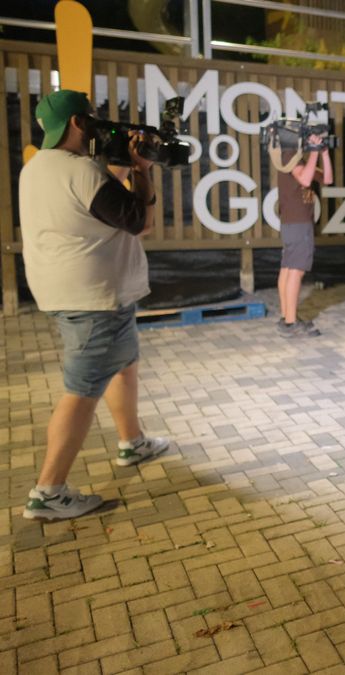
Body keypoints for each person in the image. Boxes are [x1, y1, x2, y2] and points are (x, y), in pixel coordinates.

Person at [18, 89, 170, 521]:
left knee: (124, 363)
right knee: (81, 392)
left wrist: (120, 164)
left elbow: (97, 202)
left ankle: (132, 441)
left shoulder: (38, 167)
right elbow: (138, 220)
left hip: (82, 291)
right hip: (93, 299)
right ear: (77, 124)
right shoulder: (81, 171)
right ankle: (48, 491)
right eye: (91, 120)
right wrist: (141, 169)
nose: (97, 127)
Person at [273, 132, 332, 337]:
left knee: (288, 269)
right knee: (295, 271)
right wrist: (315, 153)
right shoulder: (289, 156)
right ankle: (290, 323)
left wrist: (323, 153)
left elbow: (327, 178)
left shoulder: (294, 158)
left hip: (294, 223)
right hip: (298, 224)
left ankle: (287, 317)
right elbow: (306, 179)